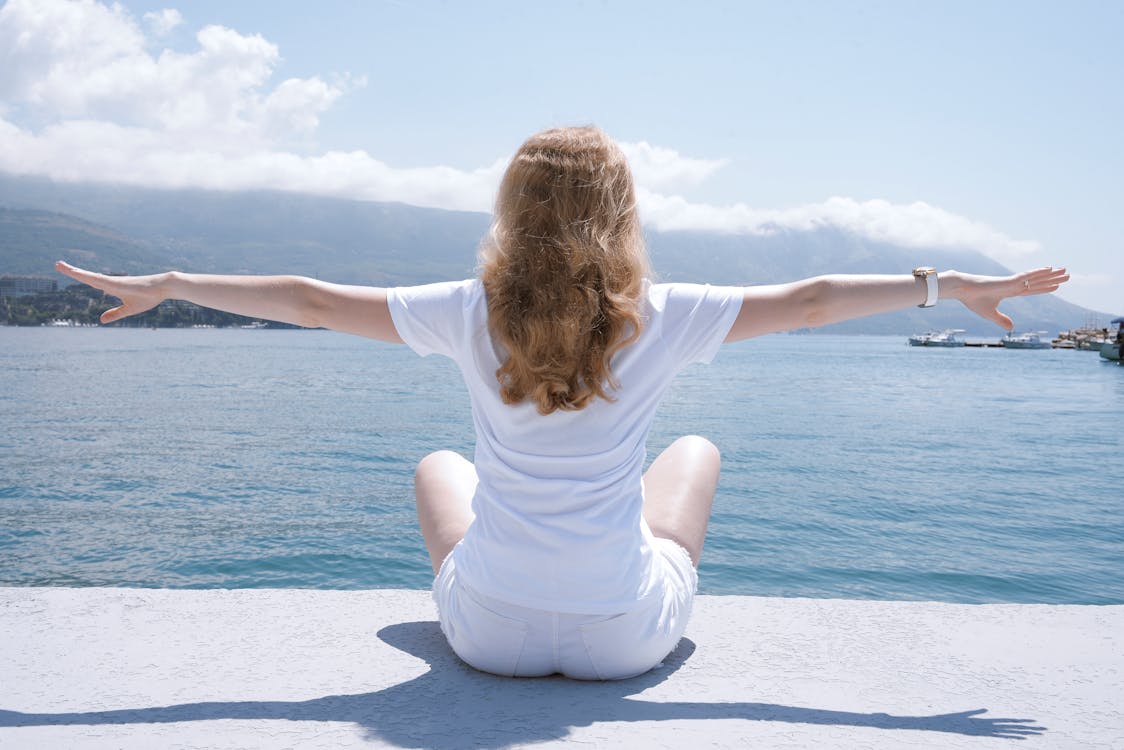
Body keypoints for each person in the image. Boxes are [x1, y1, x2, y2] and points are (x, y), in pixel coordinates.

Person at [56, 125, 1069, 681]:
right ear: (621, 216)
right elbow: (807, 301)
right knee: (693, 453)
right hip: (624, 635)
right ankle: (607, 558)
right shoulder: (660, 315)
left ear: (511, 210)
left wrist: (176, 280)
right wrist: (944, 286)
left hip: (486, 638)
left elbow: (313, 303)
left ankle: (528, 569)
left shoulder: (466, 311)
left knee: (438, 467)